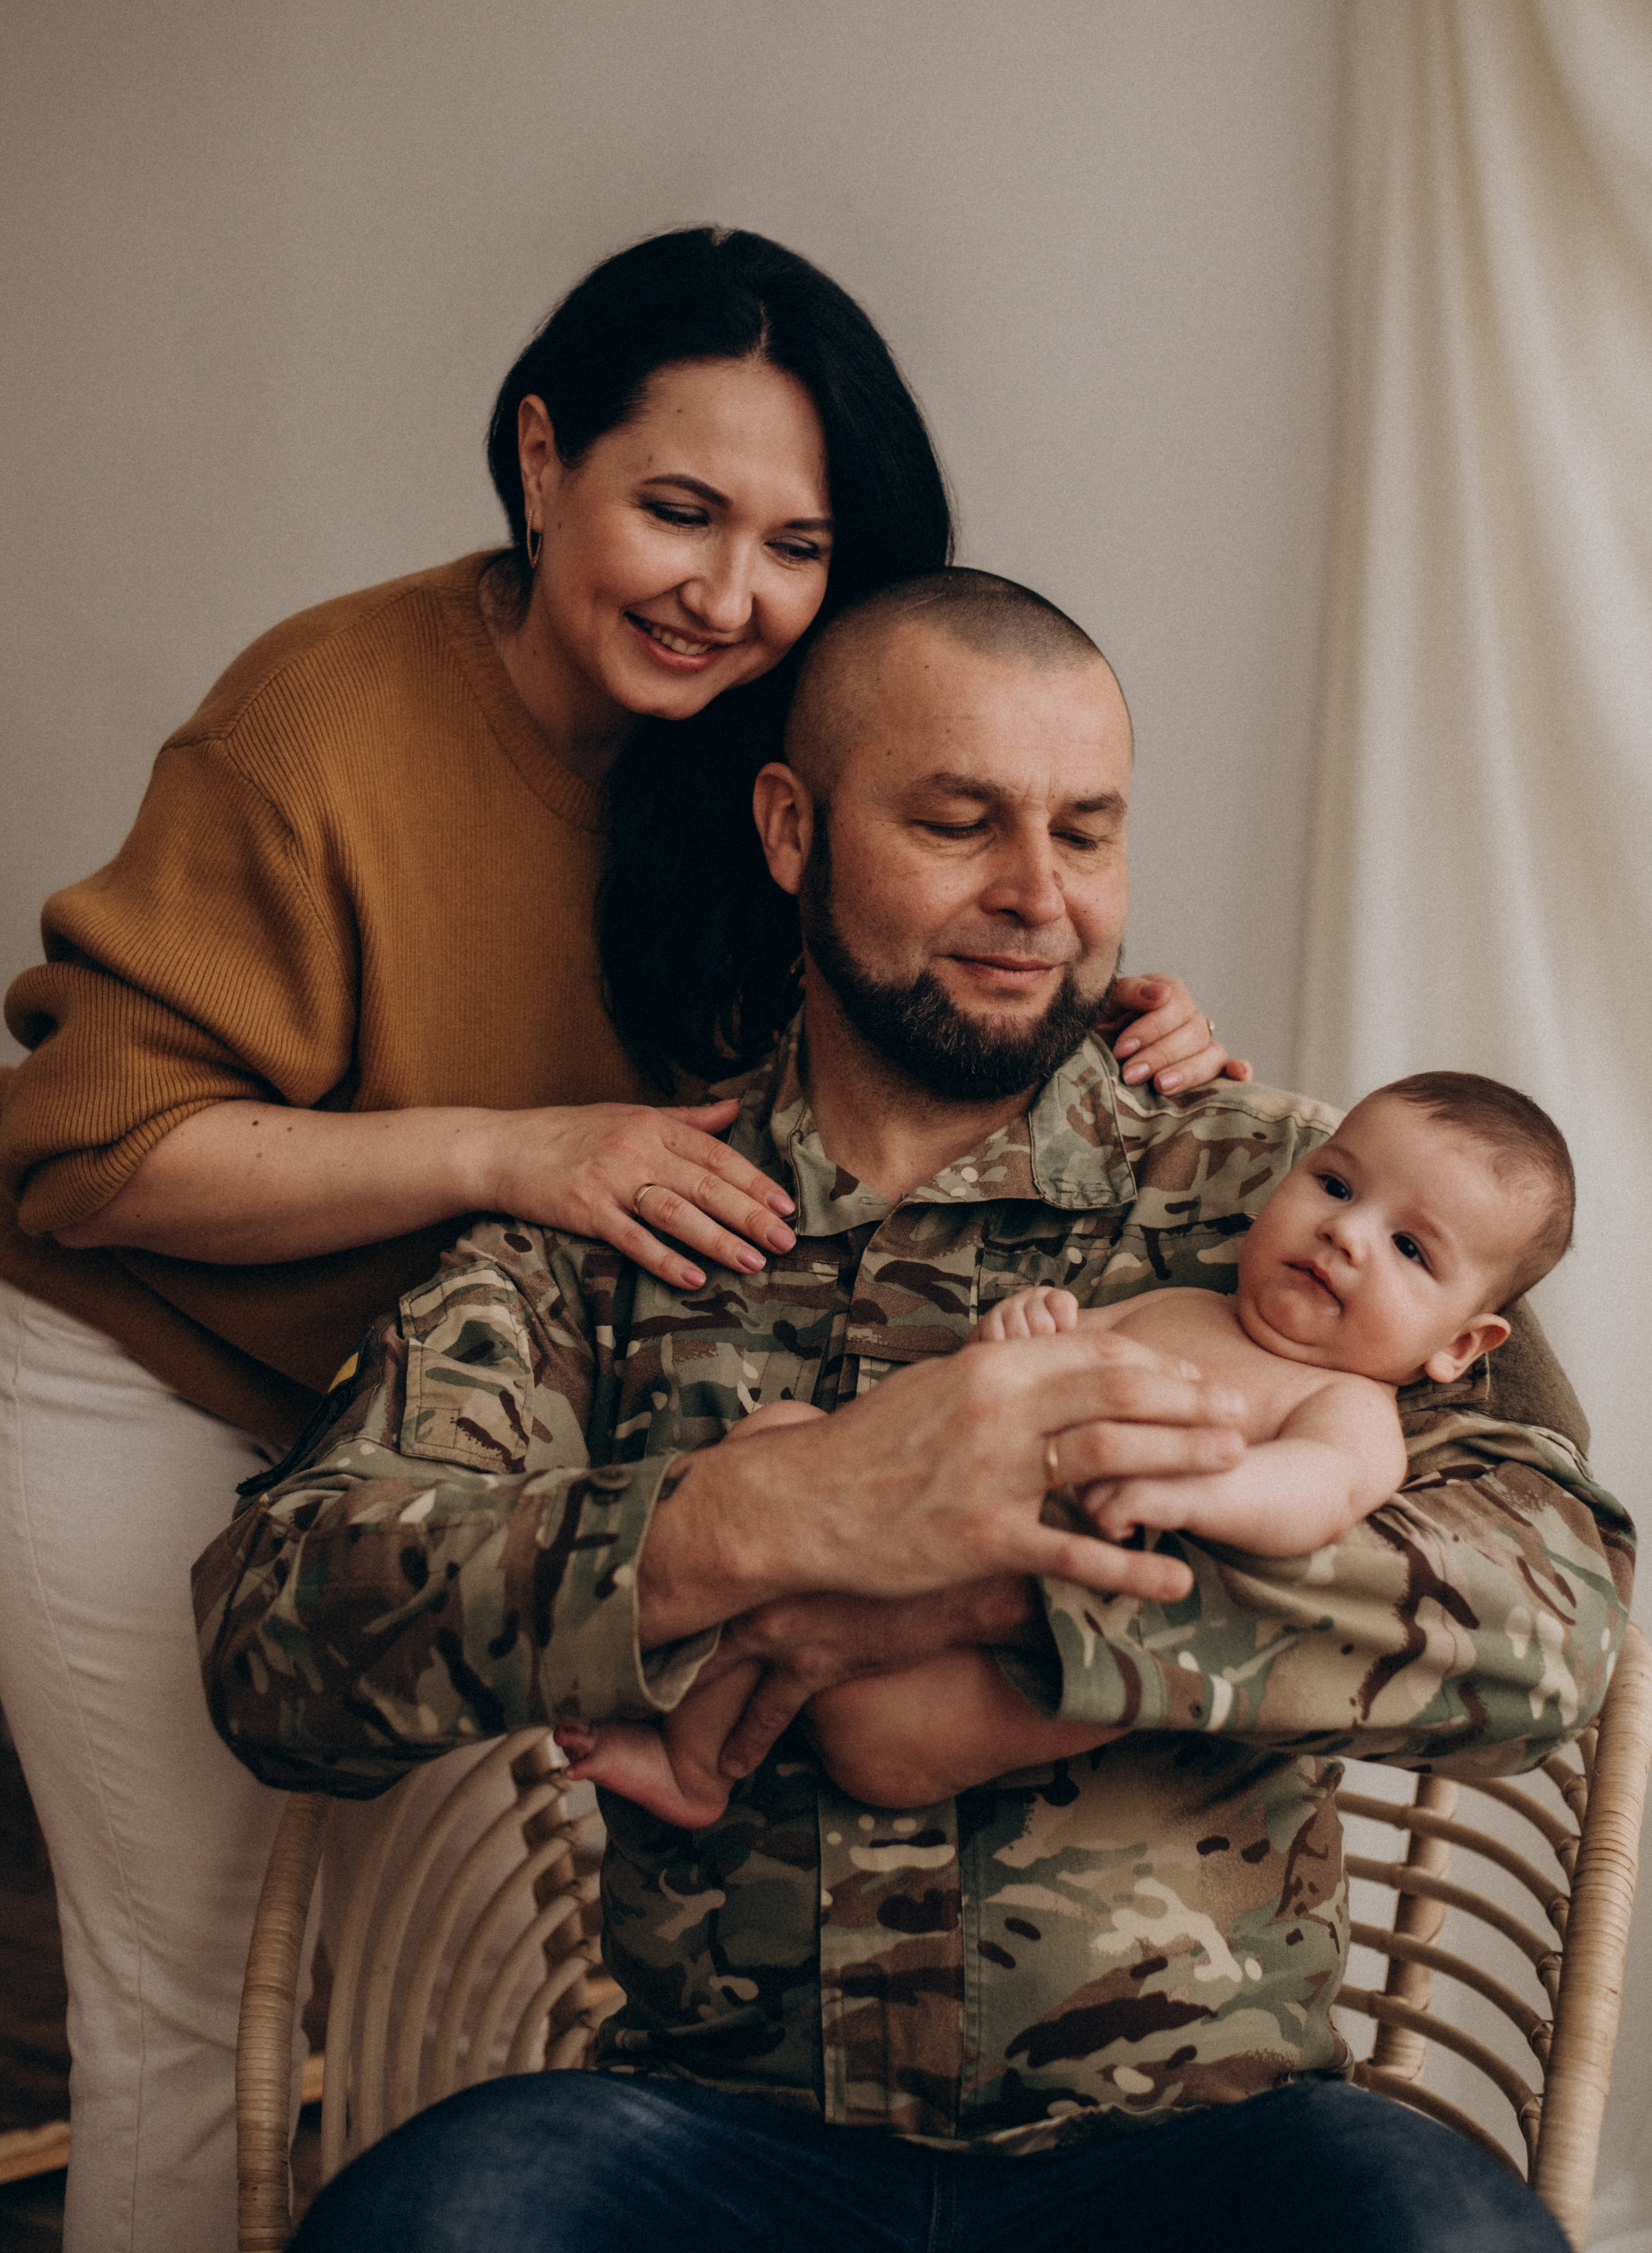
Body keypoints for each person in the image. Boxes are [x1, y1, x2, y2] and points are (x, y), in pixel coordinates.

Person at [0, 234, 1238, 2253]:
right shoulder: (321, 719)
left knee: (429, 2017)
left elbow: (874, 995)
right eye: (678, 511)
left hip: (454, 1395)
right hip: (154, 1367)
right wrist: (514, 1148)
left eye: (797, 544)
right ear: (539, 459)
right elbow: (91, 1152)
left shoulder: (748, 751)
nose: (730, 594)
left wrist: (1096, 1019)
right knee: (197, 2001)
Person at [196, 569, 1632, 2253]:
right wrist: (749, 1523)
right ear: (793, 828)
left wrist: (989, 1589)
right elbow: (281, 1638)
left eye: (1086, 835)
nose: (1039, 897)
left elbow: (1550, 1621)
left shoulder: (1303, 1204)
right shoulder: (628, 1226)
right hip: (714, 2135)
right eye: (961, 824)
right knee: (432, 2230)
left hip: (1206, 2146)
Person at [555, 1069, 1576, 1826]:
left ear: (1461, 1347)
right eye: (1337, 1188)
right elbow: (1010, 1400)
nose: (1348, 1235)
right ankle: (697, 1769)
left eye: (1410, 1248)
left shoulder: (1345, 1405)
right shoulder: (1181, 1304)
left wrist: (1198, 1494)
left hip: (999, 1673)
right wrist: (1026, 1337)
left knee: (882, 1725)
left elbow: (1315, 1493)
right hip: (935, 1539)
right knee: (776, 1438)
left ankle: (731, 1755)